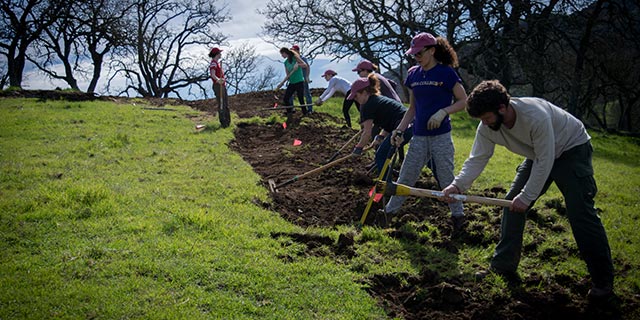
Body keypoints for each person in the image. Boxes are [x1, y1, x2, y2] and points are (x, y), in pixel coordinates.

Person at [441, 80, 615, 300]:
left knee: (580, 213)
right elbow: (478, 158)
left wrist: (527, 197)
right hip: (538, 154)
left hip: (571, 149)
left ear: (502, 108)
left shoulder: (535, 116)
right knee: (512, 204)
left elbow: (546, 160)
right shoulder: (486, 126)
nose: (484, 123)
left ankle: (603, 281)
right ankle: (503, 266)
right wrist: (457, 185)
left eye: (487, 118)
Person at [386, 32, 467, 230]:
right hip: (419, 135)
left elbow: (464, 101)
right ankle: (388, 213)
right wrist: (399, 130)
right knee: (406, 176)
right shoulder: (413, 74)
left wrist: (443, 112)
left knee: (446, 178)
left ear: (432, 50)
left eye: (420, 53)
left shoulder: (446, 73)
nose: (417, 58)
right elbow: (412, 108)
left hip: (441, 136)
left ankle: (458, 218)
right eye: (414, 55)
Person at [348, 75, 412, 174]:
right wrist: (380, 136)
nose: (355, 99)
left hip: (404, 126)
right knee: (422, 154)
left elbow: (367, 133)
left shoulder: (367, 105)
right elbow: (388, 122)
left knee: (381, 155)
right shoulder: (376, 99)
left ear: (364, 92)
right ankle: (390, 174)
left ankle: (386, 182)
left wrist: (358, 148)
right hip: (411, 124)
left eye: (356, 96)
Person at [276, 47, 309, 115]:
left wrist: (298, 65)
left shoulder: (295, 58)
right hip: (292, 82)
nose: (282, 56)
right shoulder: (285, 63)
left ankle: (305, 113)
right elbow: (288, 75)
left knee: (301, 98)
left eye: (282, 54)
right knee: (286, 98)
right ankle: (289, 112)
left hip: (299, 81)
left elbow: (305, 65)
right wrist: (282, 83)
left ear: (285, 53)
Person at [209, 47, 230, 127]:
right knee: (222, 104)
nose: (221, 54)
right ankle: (223, 122)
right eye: (219, 53)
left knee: (225, 103)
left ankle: (227, 122)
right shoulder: (214, 63)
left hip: (221, 85)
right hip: (218, 86)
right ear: (217, 54)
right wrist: (218, 80)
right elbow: (212, 74)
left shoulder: (217, 63)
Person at [291, 45, 313, 113]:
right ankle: (291, 109)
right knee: (290, 94)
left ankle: (309, 109)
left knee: (306, 93)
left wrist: (307, 77)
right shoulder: (292, 59)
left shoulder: (302, 58)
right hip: (294, 80)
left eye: (294, 50)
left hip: (303, 79)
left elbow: (307, 67)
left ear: (298, 51)